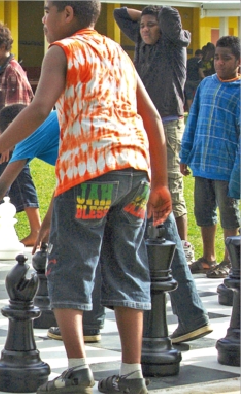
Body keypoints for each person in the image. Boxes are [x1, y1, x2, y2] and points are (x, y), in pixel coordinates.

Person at [0, 2, 171, 392]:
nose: (42, 19)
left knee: (67, 270)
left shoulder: (62, 51)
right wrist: (160, 182)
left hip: (88, 173)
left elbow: (39, 108)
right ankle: (131, 375)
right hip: (134, 175)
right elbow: (153, 117)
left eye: (46, 11)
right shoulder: (118, 52)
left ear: (68, 14)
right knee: (128, 272)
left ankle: (77, 370)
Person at [115, 5, 192, 264]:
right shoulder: (142, 42)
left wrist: (156, 13)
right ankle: (153, 239)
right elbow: (120, 14)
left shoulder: (173, 44)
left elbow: (170, 14)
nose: (145, 29)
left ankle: (182, 247)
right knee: (144, 185)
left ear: (165, 28)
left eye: (152, 25)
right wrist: (146, 16)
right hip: (143, 125)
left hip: (167, 125)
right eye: (143, 25)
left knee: (171, 186)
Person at [0, 22, 41, 247]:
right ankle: (36, 230)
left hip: (10, 143)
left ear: (2, 46)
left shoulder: (12, 72)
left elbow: (18, 115)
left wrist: (4, 145)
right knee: (18, 181)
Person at [181, 35, 241, 279]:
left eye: (226, 59)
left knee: (229, 215)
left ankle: (231, 261)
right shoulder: (206, 85)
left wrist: (237, 173)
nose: (219, 63)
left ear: (238, 61)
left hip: (226, 166)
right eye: (216, 58)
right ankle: (208, 258)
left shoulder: (238, 91)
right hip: (203, 163)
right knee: (204, 213)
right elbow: (192, 120)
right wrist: (185, 155)